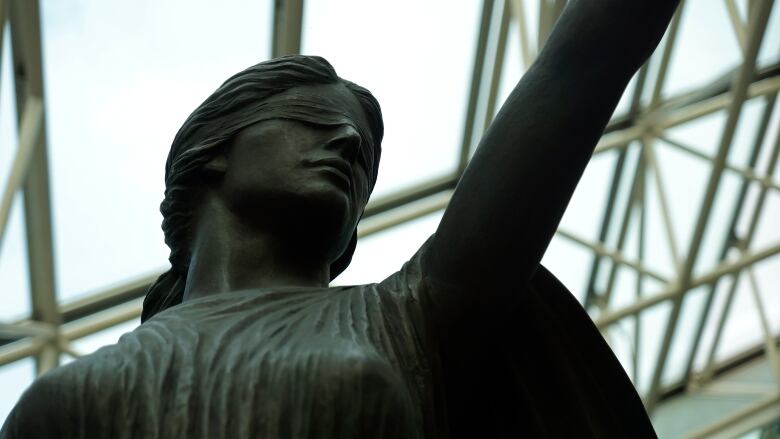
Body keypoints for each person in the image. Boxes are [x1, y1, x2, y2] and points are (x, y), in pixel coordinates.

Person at [1, 0, 680, 437]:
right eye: (313, 122)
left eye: (363, 156)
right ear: (211, 155)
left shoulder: (410, 317)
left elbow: (582, 64)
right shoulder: (62, 401)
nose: (351, 146)